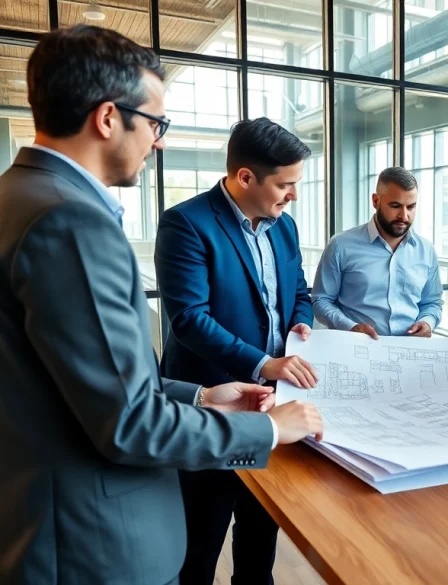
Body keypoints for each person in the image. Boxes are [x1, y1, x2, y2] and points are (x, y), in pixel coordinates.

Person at [0, 25, 322, 585]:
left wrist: (198, 394)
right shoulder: (70, 221)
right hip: (91, 539)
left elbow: (82, 380)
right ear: (107, 118)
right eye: (156, 122)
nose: (160, 140)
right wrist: (271, 431)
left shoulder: (18, 196)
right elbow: (128, 420)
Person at [155, 117, 321, 585]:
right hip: (214, 406)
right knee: (200, 546)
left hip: (273, 408)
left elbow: (299, 291)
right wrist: (264, 361)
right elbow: (189, 319)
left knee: (259, 541)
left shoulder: (284, 228)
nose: (293, 196)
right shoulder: (186, 223)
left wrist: (301, 320)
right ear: (245, 177)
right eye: (285, 185)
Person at [313, 167, 443, 338]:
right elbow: (321, 300)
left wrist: (427, 322)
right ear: (376, 201)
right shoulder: (340, 245)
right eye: (395, 206)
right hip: (356, 349)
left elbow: (432, 302)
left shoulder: (426, 251)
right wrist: (350, 327)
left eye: (411, 207)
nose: (404, 215)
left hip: (410, 352)